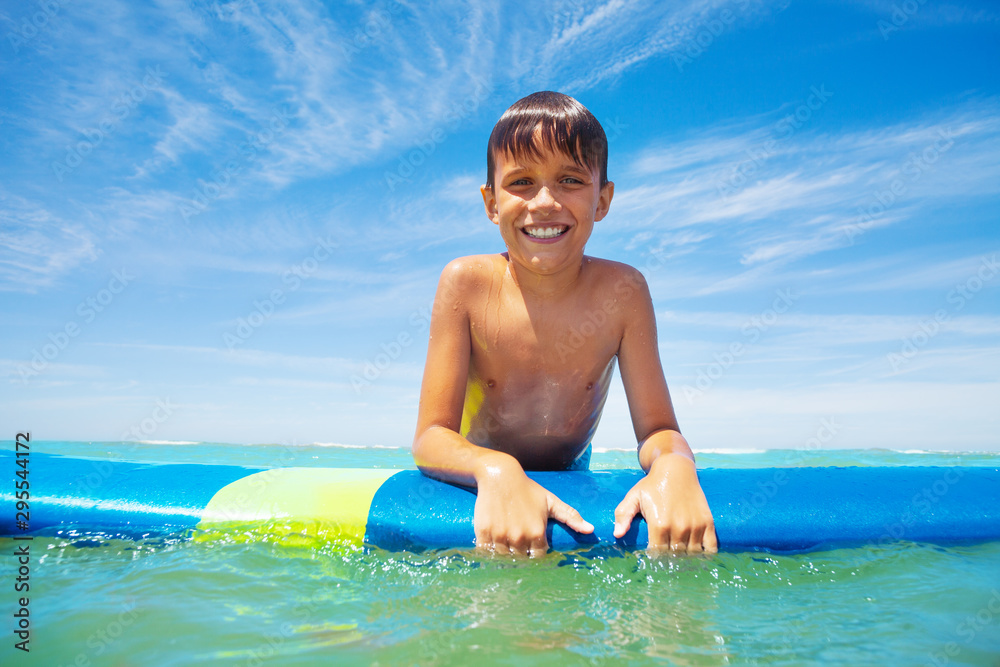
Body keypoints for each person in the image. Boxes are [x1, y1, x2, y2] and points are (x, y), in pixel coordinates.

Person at [411, 91, 716, 556]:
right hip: (478, 473)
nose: (545, 202)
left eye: (570, 179)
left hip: (573, 477)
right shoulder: (466, 284)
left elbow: (657, 430)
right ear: (491, 202)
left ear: (603, 198)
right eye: (522, 182)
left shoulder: (624, 293)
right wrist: (496, 471)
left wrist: (674, 467)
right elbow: (432, 438)